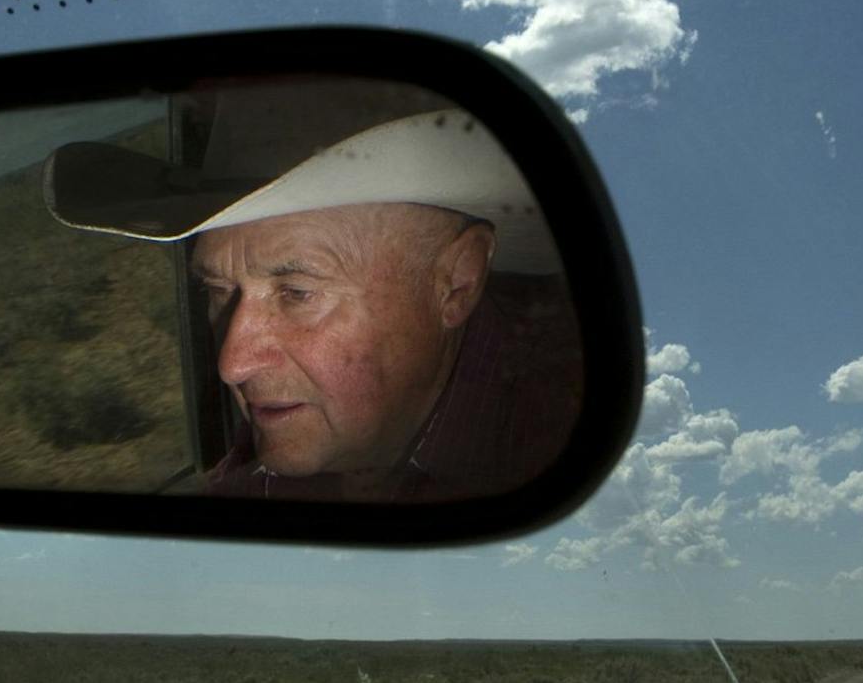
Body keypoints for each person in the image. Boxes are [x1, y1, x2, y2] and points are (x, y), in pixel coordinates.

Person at [46, 84, 581, 501]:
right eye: (217, 289)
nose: (232, 364)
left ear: (456, 282)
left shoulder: (557, 442)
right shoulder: (255, 477)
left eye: (296, 292)